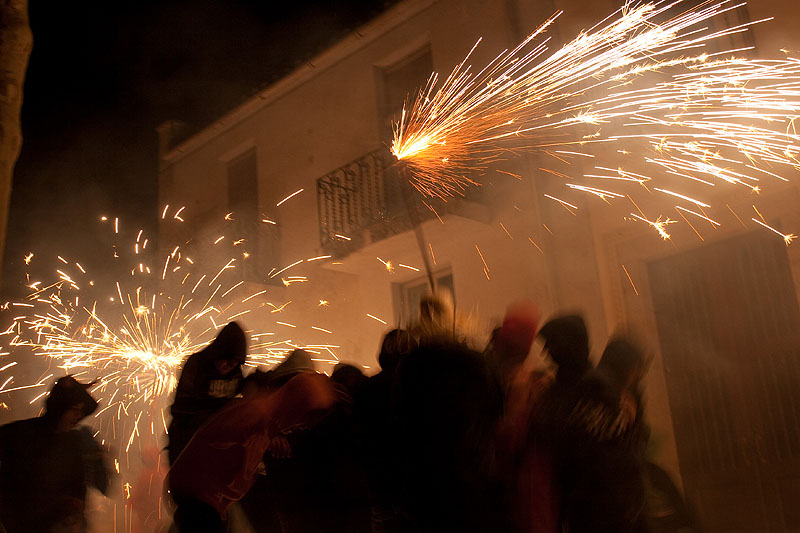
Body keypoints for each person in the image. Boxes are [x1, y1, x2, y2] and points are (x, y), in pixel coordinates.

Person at [0, 375, 111, 533]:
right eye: (73, 410)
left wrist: (98, 459)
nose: (78, 417)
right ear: (59, 409)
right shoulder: (19, 434)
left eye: (80, 411)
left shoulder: (77, 443)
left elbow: (102, 486)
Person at [167, 321, 247, 466]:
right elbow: (183, 406)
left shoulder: (235, 374)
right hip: (187, 439)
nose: (230, 366)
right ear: (219, 353)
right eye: (228, 361)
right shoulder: (197, 365)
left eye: (236, 363)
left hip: (217, 439)